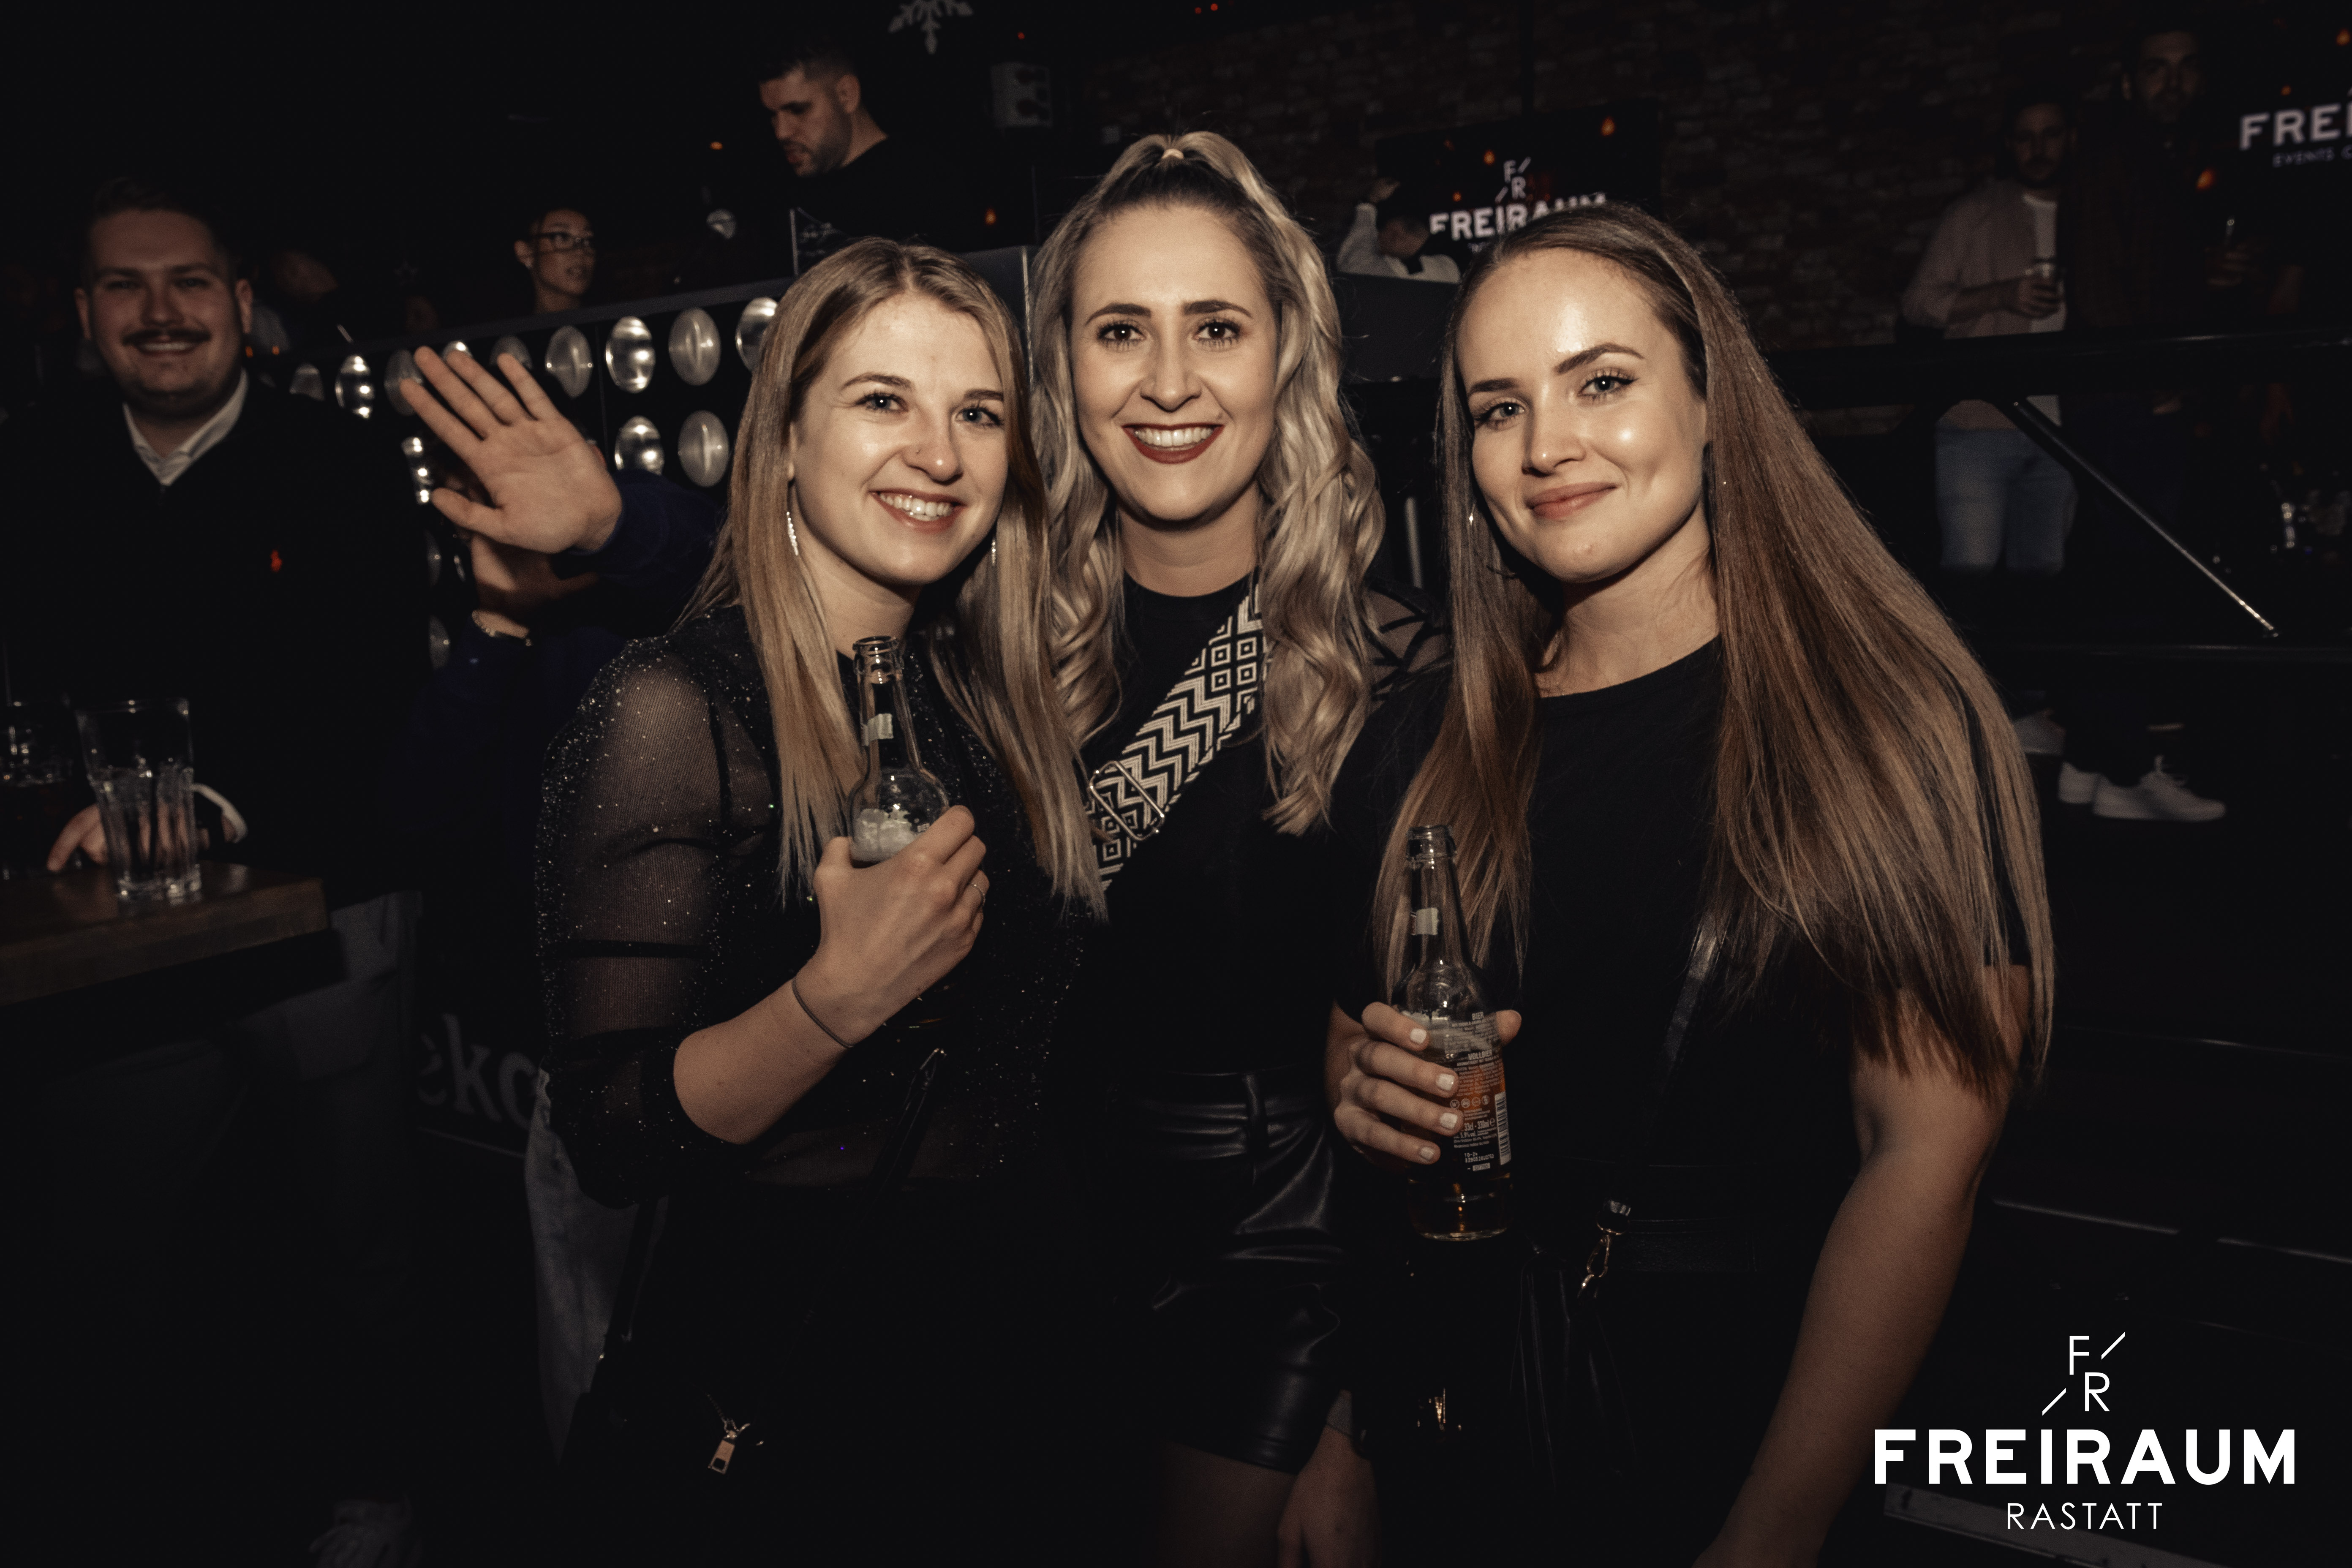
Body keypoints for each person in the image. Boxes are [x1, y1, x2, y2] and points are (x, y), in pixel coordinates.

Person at [1325, 204, 2052, 1565]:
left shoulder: (1880, 720)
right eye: (1498, 407)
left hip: (1733, 1414)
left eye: (1601, 381)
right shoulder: (1417, 745)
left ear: (1714, 402)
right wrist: (1342, 1432)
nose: (1545, 445)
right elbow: (1357, 1075)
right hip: (1459, 1408)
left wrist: (1771, 1530)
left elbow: (1924, 1157)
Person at [538, 237, 1111, 1561]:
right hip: (813, 1361)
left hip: (1015, 1345)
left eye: (979, 413)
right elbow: (611, 1136)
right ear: (786, 439)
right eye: (882, 401)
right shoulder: (671, 707)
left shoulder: (993, 704)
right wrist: (831, 1002)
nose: (939, 452)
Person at [1, 178, 427, 1559]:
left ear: (243, 306)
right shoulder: (38, 467)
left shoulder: (339, 462)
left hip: (326, 910)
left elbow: (371, 685)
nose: (160, 311)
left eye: (189, 281)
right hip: (118, 932)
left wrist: (214, 798)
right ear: (83, 315)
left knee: (355, 1241)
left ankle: (378, 1495)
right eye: (124, 285)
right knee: (100, 1249)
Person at [1030, 132, 1428, 1567]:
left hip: (1275, 1244)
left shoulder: (1388, 672)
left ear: (1286, 357)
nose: (1167, 381)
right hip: (1035, 1234)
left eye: (1215, 327)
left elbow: (1420, 1084)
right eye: (1118, 330)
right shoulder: (1006, 650)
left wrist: (1354, 1414)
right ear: (1063, 368)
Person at [384, 342, 722, 1456]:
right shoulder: (504, 650)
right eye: (477, 500)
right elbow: (420, 814)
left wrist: (610, 522)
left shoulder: (658, 596)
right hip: (584, 1068)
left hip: (732, 1049)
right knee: (590, 1372)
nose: (505, 516)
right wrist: (494, 626)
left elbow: (719, 559)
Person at [2053, 17, 2230, 822]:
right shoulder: (2113, 155)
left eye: (2185, 67)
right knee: (2132, 585)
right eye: (2156, 67)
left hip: (2128, 396)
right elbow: (2096, 288)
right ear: (2128, 82)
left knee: (2114, 579)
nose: (2172, 81)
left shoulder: (2163, 159)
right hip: (2126, 400)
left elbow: (2145, 273)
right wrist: (2154, 380)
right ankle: (2124, 772)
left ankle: (2089, 763)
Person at [1902, 88, 2076, 589]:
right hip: (1977, 425)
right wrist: (2000, 295)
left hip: (2066, 428)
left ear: (2072, 139)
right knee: (1970, 581)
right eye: (2025, 138)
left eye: (2050, 135)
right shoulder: (1975, 213)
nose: (2038, 149)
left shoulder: (2092, 212)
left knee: (2043, 581)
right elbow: (1918, 303)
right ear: (2009, 145)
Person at [756, 34, 979, 251]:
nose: (781, 132)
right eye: (772, 115)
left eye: (798, 110)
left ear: (846, 95)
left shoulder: (927, 186)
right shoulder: (782, 194)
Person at [1336, 177, 1460, 283]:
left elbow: (1353, 260)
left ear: (1394, 233)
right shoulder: (1449, 269)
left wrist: (1371, 201)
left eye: (1379, 233)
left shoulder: (1383, 274)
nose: (1377, 239)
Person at [515, 206, 596, 316]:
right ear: (526, 252)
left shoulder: (614, 322)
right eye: (562, 237)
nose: (580, 251)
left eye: (588, 240)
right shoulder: (506, 325)